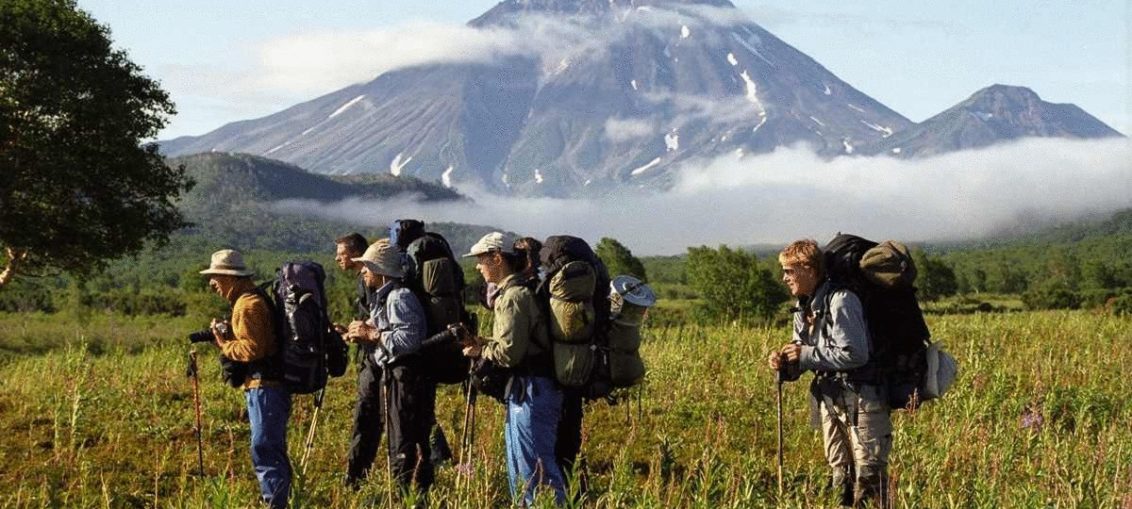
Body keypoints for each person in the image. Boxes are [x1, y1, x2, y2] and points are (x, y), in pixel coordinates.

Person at [767, 239, 892, 508]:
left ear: (810, 269)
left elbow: (855, 354)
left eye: (790, 271)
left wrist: (805, 355)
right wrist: (786, 364)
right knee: (840, 473)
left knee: (869, 475)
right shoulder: (804, 307)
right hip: (829, 398)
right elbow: (804, 353)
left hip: (864, 398)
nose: (784, 278)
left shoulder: (842, 301)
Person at [462, 232, 566, 505]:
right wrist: (487, 343)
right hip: (534, 388)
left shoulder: (513, 296)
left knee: (534, 472)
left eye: (482, 259)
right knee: (529, 467)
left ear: (498, 258)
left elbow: (508, 354)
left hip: (531, 390)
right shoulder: (521, 291)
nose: (478, 266)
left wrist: (479, 350)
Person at [200, 249, 291, 509]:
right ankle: (278, 499)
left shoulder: (247, 305)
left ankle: (274, 503)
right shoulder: (251, 299)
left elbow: (253, 349)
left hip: (266, 389)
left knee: (264, 448)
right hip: (266, 388)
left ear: (232, 277)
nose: (212, 283)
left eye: (216, 276)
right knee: (270, 448)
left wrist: (223, 343)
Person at [343, 239, 433, 495]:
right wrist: (358, 332)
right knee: (397, 435)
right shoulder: (384, 298)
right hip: (394, 375)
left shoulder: (399, 297)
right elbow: (381, 328)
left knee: (402, 438)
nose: (363, 271)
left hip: (405, 377)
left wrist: (372, 335)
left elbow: (409, 340)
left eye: (367, 267)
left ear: (380, 270)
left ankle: (406, 493)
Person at [333, 233, 388, 489]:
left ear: (355, 254)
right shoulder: (365, 279)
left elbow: (375, 323)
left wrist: (362, 334)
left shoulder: (368, 280)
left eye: (341, 254)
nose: (337, 259)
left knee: (369, 414)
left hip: (377, 358)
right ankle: (438, 455)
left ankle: (356, 478)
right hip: (378, 353)